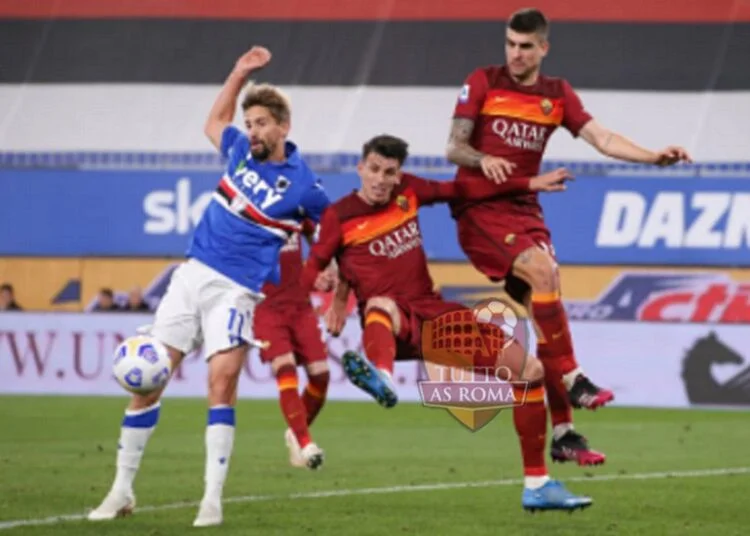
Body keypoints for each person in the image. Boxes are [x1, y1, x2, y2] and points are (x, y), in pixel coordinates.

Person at [88, 46, 330, 527]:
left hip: (237, 291)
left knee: (222, 382)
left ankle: (211, 500)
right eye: (250, 121)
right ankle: (120, 490)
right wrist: (239, 73)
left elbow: (337, 232)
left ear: (284, 127)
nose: (253, 130)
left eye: (262, 122)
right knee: (149, 380)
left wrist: (334, 276)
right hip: (191, 275)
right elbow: (213, 121)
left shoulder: (304, 187)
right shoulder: (238, 150)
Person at [444, 8, 692, 466]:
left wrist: (654, 157)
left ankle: (564, 435)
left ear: (543, 48)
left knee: (547, 304)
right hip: (480, 208)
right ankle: (576, 377)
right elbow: (453, 147)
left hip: (525, 209)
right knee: (543, 270)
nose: (515, 54)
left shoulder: (556, 95)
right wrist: (482, 161)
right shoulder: (483, 80)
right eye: (510, 44)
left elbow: (603, 139)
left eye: (525, 46)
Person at [302, 134, 591, 511]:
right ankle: (382, 378)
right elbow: (311, 269)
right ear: (360, 168)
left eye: (389, 172)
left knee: (530, 370)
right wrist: (325, 289)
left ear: (398, 174)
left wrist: (530, 183)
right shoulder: (338, 215)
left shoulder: (409, 192)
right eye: (373, 169)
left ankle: (537, 483)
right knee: (382, 304)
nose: (380, 180)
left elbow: (462, 188)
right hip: (391, 325)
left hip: (436, 317)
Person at [253, 230, 335, 469]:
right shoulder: (250, 210)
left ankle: (295, 433)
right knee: (285, 367)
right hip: (265, 306)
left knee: (321, 376)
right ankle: (306, 442)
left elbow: (322, 243)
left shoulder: (299, 204)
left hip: (300, 304)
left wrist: (324, 272)